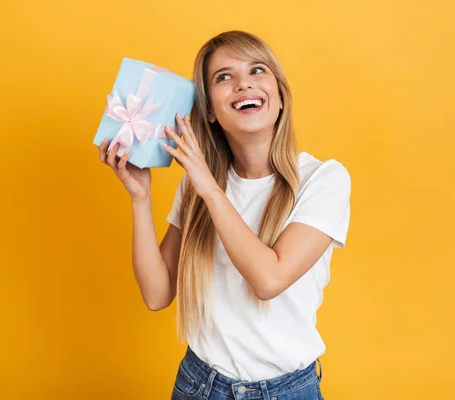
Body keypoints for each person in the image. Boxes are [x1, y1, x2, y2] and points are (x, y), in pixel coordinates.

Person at [98, 30, 351, 400]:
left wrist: (209, 188)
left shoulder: (323, 179)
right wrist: (141, 198)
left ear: (280, 97)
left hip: (286, 391)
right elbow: (156, 294)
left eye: (257, 70)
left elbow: (269, 279)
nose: (243, 85)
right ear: (211, 113)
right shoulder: (201, 185)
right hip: (198, 385)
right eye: (224, 77)